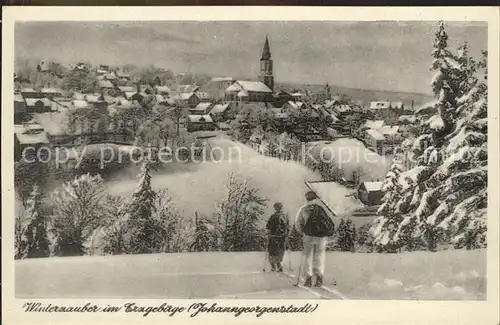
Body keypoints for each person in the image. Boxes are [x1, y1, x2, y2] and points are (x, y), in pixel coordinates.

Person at [295, 191, 335, 287]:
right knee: (320, 257)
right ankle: (319, 278)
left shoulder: (303, 209)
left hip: (308, 236)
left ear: (306, 198)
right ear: (316, 198)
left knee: (307, 257)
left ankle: (308, 278)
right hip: (321, 237)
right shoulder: (320, 209)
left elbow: (297, 223)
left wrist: (303, 233)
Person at [266, 202, 290, 272]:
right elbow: (288, 226)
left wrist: (269, 233)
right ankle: (278, 264)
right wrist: (287, 234)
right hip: (283, 236)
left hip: (274, 236)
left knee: (272, 250)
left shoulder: (273, 216)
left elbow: (268, 226)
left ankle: (274, 265)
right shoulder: (285, 216)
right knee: (280, 250)